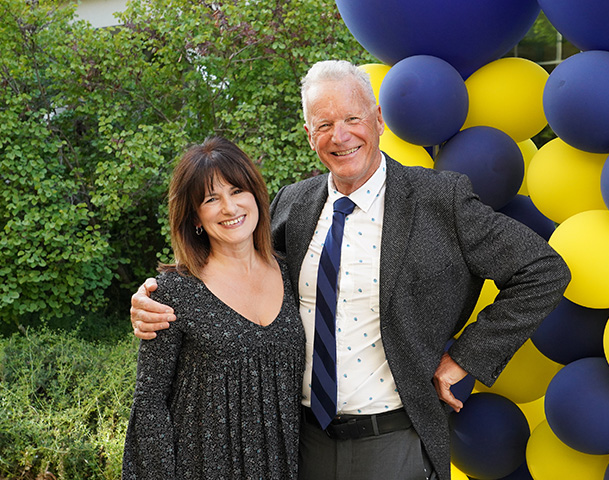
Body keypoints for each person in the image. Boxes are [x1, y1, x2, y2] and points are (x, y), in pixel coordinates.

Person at [130, 61, 570, 480]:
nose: (340, 136)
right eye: (324, 125)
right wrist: (154, 297)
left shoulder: (440, 200)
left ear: (378, 119)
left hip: (392, 440)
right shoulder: (292, 206)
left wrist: (464, 358)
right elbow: (234, 274)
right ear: (309, 135)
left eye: (352, 119)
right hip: (299, 445)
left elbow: (542, 270)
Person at [122, 137, 305, 479]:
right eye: (211, 199)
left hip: (283, 466)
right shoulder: (173, 293)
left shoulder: (292, 272)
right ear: (195, 218)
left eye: (237, 191)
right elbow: (149, 404)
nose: (229, 207)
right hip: (202, 468)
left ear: (255, 196)